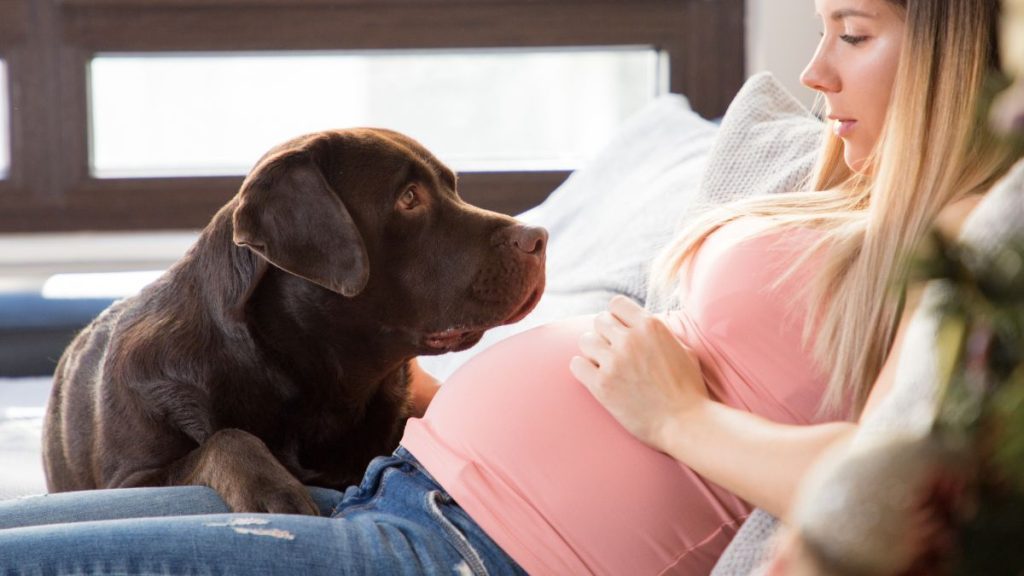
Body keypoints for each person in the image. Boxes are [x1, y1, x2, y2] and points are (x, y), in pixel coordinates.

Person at [0, 0, 1017, 574]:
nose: (815, 73)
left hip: (460, 553)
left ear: (955, 46)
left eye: (852, 31)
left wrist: (675, 420)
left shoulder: (975, 239)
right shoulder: (849, 194)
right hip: (384, 497)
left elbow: (905, 484)